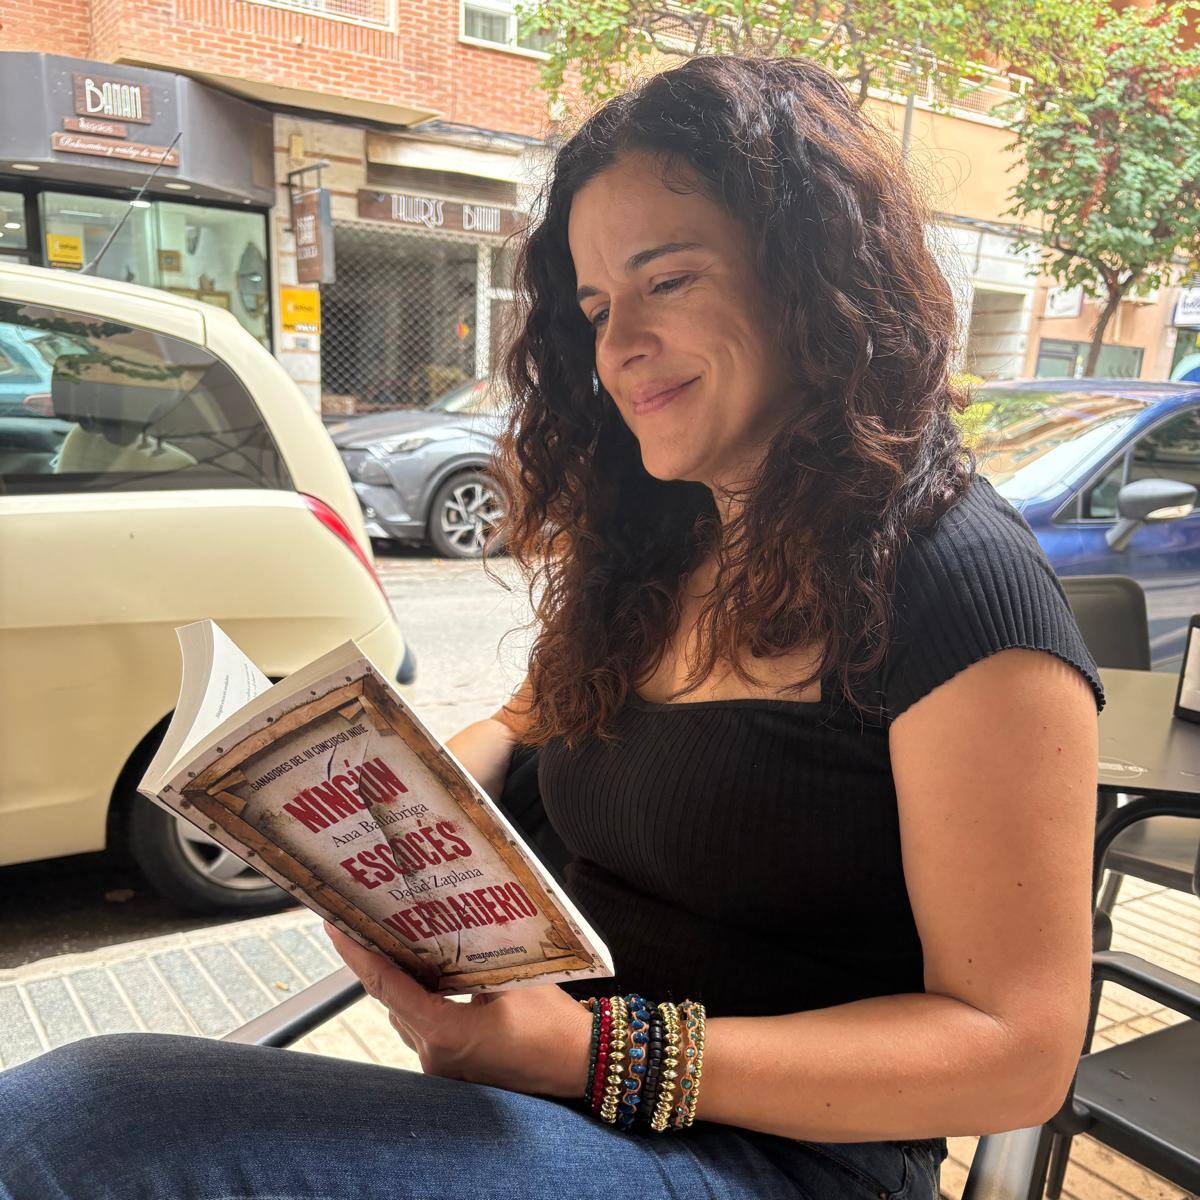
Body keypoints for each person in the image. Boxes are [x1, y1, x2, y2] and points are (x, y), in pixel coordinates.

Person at [0, 55, 1104, 1200]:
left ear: (814, 280)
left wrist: (596, 1055)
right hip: (560, 1110)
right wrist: (370, 822)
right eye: (595, 308)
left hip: (782, 1161)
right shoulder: (666, 540)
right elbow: (521, 730)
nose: (618, 347)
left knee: (81, 1127)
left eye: (667, 280)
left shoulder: (956, 578)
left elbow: (1015, 1052)